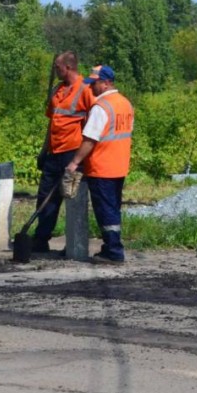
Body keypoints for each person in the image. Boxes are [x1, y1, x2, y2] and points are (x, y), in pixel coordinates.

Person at [65, 65, 134, 265]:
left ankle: (113, 251)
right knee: (113, 209)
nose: (90, 88)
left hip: (101, 167)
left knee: (105, 211)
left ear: (105, 83)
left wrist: (75, 162)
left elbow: (89, 140)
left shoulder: (101, 107)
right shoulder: (125, 104)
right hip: (119, 166)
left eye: (94, 84)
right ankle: (111, 246)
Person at [32, 51, 93, 253]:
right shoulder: (58, 90)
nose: (55, 71)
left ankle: (75, 244)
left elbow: (93, 123)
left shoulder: (86, 90)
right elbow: (52, 122)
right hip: (54, 152)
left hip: (73, 152)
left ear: (68, 67)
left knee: (72, 196)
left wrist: (82, 157)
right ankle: (41, 240)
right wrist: (44, 150)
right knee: (45, 197)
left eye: (57, 67)